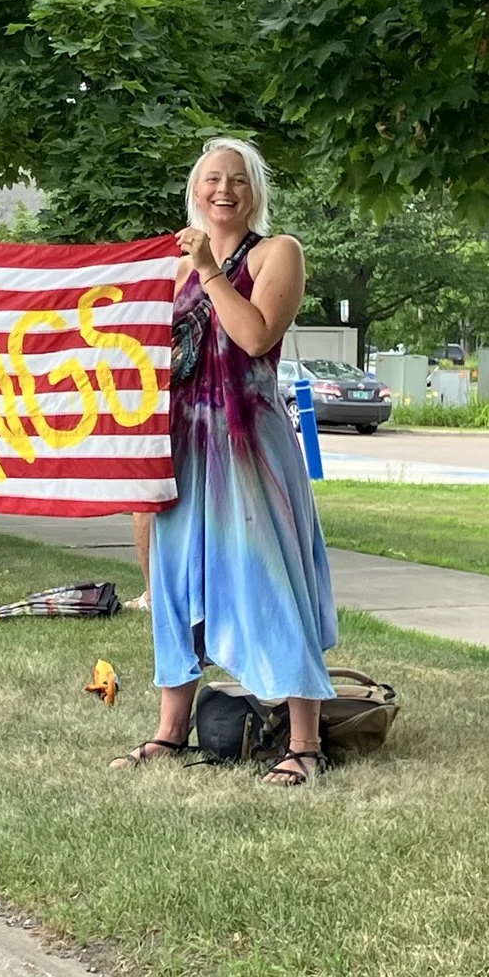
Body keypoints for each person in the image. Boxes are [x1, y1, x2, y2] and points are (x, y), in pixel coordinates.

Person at [120, 136, 338, 786]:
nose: (223, 190)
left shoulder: (278, 253)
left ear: (255, 192)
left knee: (270, 583)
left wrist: (211, 270)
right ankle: (169, 729)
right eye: (212, 179)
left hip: (248, 447)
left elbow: (254, 334)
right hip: (182, 447)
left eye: (237, 180)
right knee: (175, 584)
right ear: (195, 189)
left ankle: (304, 742)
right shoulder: (170, 266)